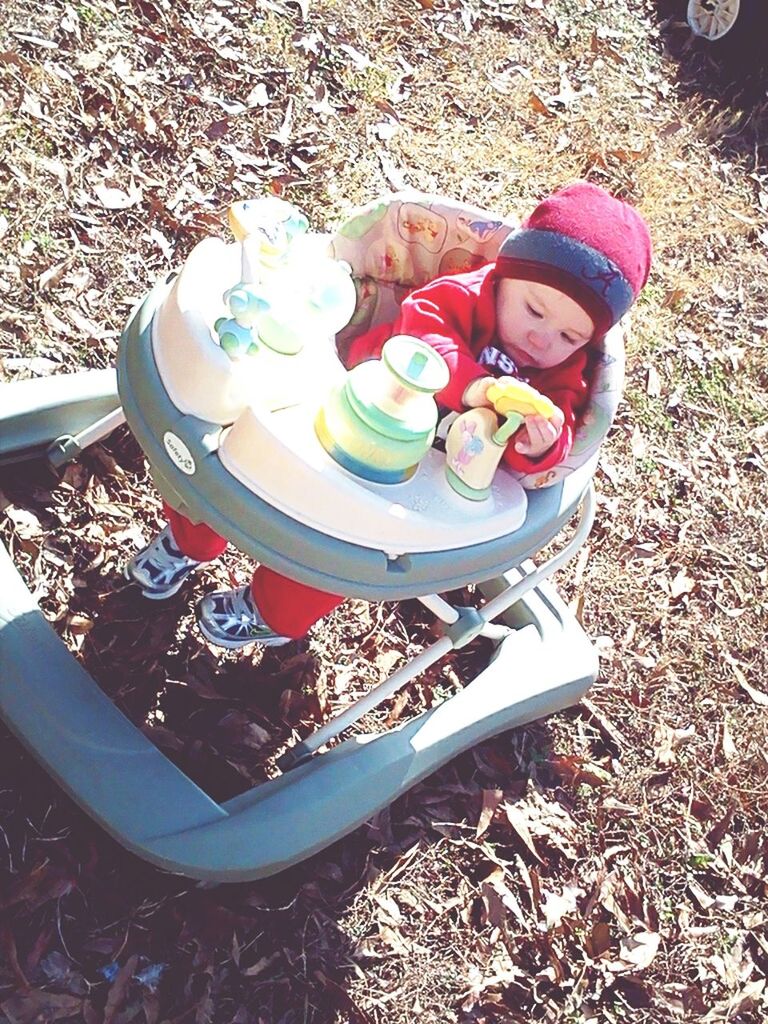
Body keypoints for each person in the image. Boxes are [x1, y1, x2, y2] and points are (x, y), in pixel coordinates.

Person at [124, 181, 652, 650]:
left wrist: (539, 442)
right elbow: (421, 330)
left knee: (335, 556)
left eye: (570, 335)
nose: (543, 339)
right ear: (506, 275)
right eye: (535, 311)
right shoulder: (464, 294)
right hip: (344, 404)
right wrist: (475, 387)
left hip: (420, 480)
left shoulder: (565, 371)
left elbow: (554, 432)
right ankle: (192, 539)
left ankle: (270, 613)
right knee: (221, 465)